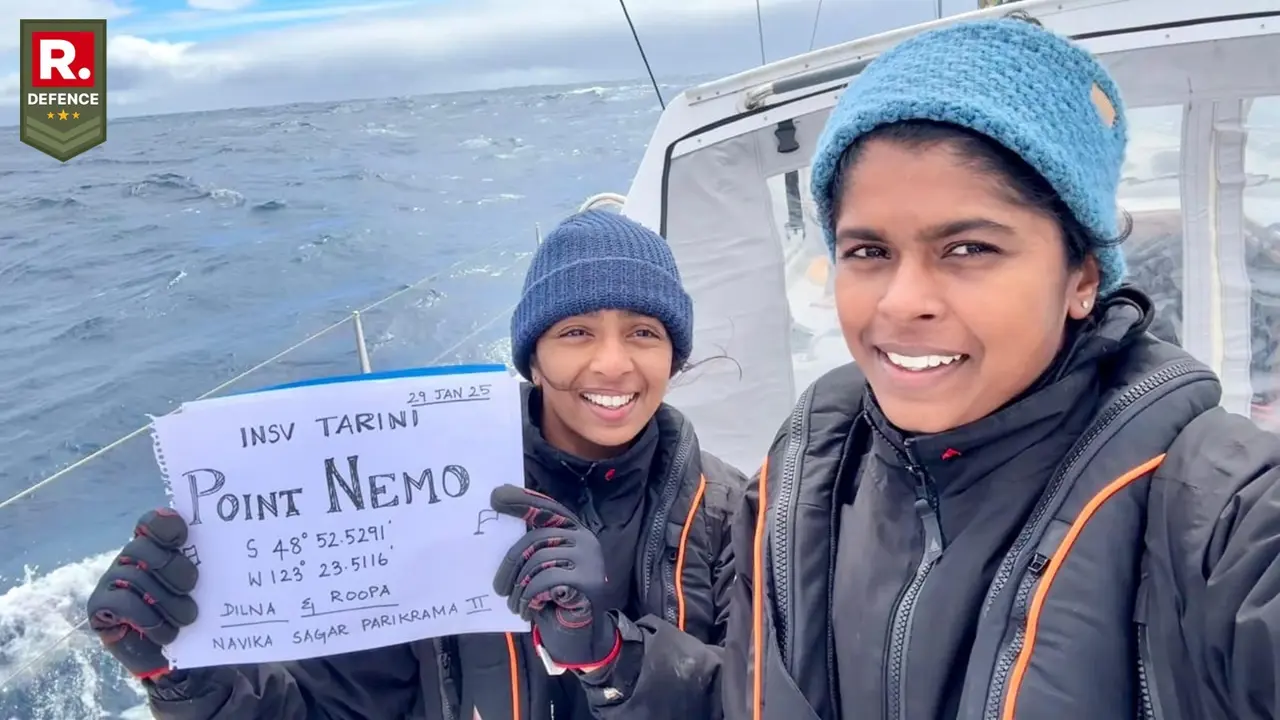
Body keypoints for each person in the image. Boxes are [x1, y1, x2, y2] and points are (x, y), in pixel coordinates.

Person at [723, 17, 1280, 720]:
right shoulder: (803, 478)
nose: (902, 302)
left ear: (1082, 276)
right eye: (868, 252)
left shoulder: (1221, 511)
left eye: (968, 249)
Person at [88, 209, 745, 719]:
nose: (611, 363)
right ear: (533, 358)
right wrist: (180, 673)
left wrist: (614, 656)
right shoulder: (420, 496)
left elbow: (760, 699)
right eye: (575, 332)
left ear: (673, 357)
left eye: (643, 332)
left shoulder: (732, 514)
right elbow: (327, 706)